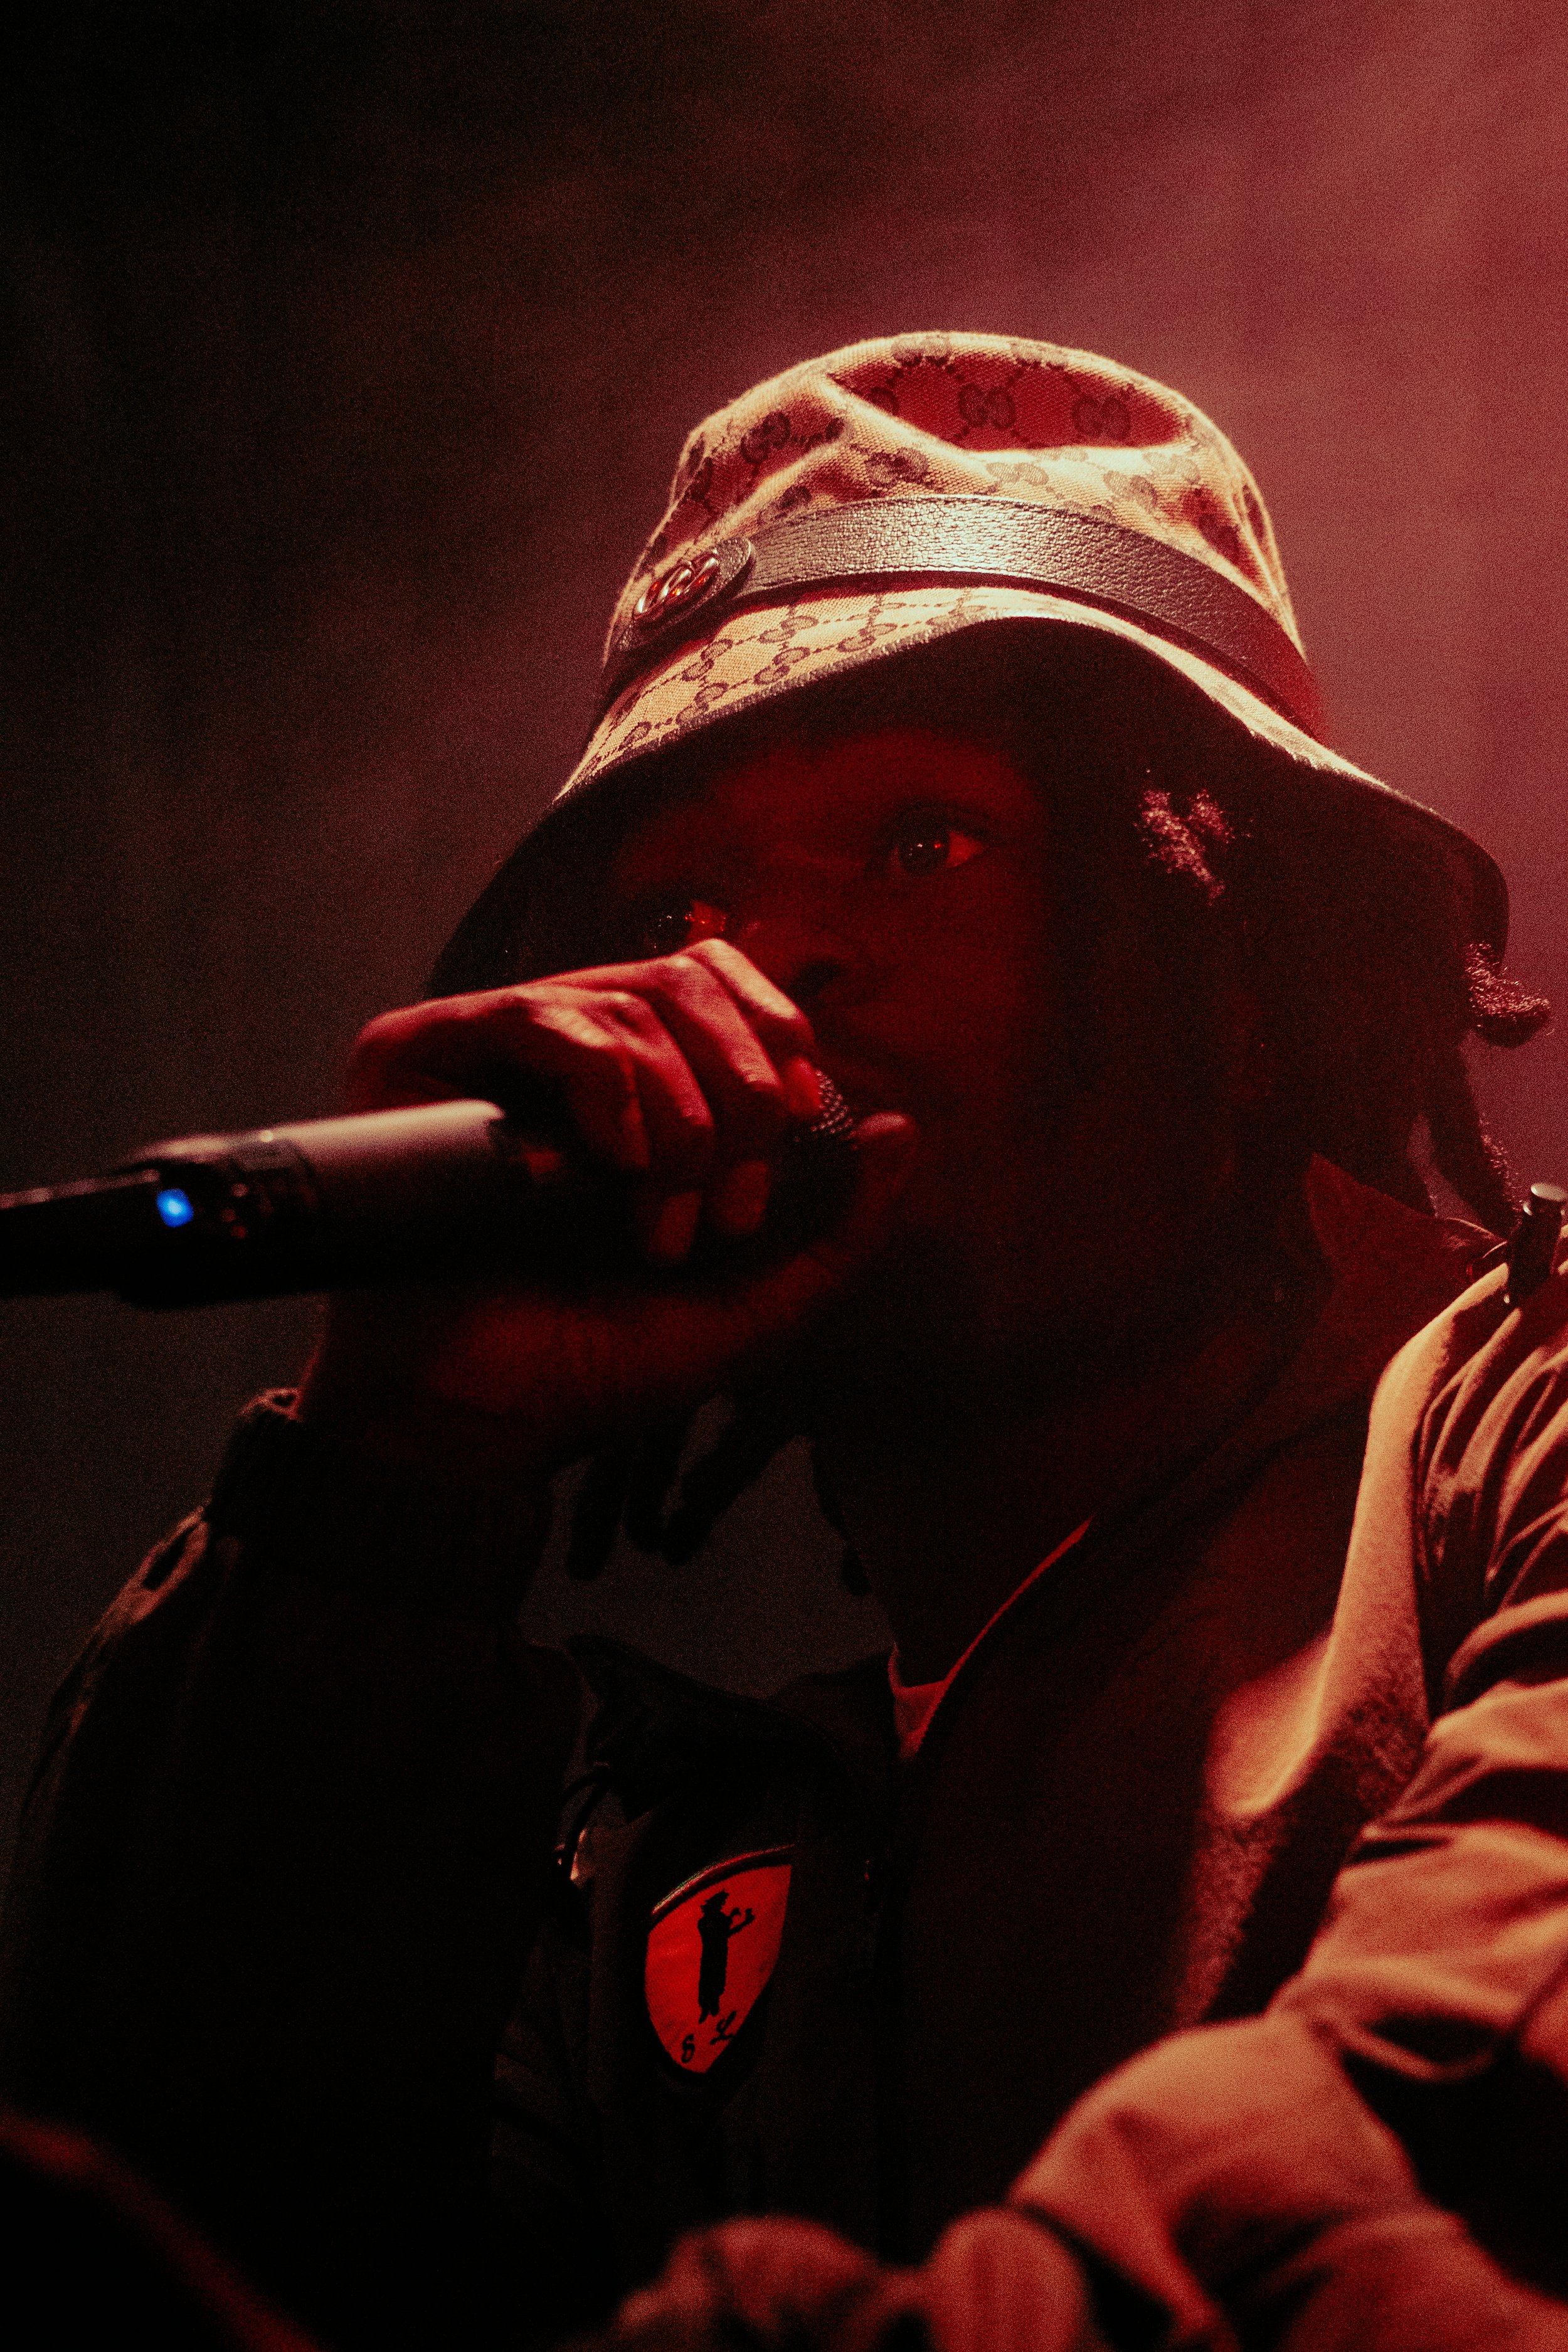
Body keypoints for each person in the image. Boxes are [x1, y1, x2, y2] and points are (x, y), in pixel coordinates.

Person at [5, 331, 1568, 2352]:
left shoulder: (1510, 1447)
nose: (766, 954)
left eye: (925, 839)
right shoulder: (657, 1850)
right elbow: (184, 2233)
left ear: (1249, 965)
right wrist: (387, 1493)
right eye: (676, 897)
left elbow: (1429, 2154)